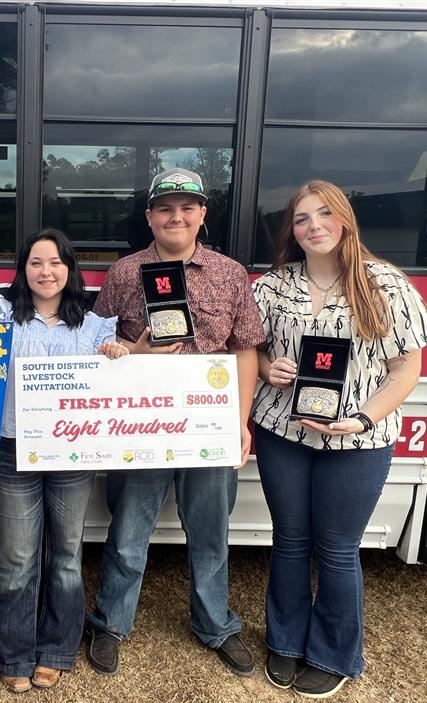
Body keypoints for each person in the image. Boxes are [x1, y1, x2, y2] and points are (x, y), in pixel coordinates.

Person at [251, 180, 427, 698]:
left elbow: (406, 371)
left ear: (345, 220)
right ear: (293, 230)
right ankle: (285, 642)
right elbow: (255, 353)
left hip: (357, 441)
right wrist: (270, 369)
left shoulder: (386, 285)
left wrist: (363, 418)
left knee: (335, 548)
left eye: (324, 214)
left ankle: (333, 653)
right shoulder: (272, 286)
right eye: (303, 218)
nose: (314, 226)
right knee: (289, 542)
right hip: (283, 432)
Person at [85, 168, 265, 677]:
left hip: (207, 428)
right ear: (149, 216)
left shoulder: (231, 274)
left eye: (187, 207)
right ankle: (109, 623)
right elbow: (100, 345)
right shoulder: (124, 273)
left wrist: (240, 421)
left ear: (202, 215)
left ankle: (215, 626)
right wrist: (124, 349)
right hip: (142, 427)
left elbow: (246, 350)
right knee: (128, 532)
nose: (176, 216)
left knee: (210, 534)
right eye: (165, 208)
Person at [0, 229, 128, 693]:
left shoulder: (96, 326)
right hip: (13, 449)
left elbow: (118, 379)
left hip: (71, 454)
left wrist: (118, 354)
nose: (46, 272)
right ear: (23, 271)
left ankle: (56, 648)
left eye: (56, 263)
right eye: (36, 263)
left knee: (66, 555)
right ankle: (14, 652)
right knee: (17, 556)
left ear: (70, 269)